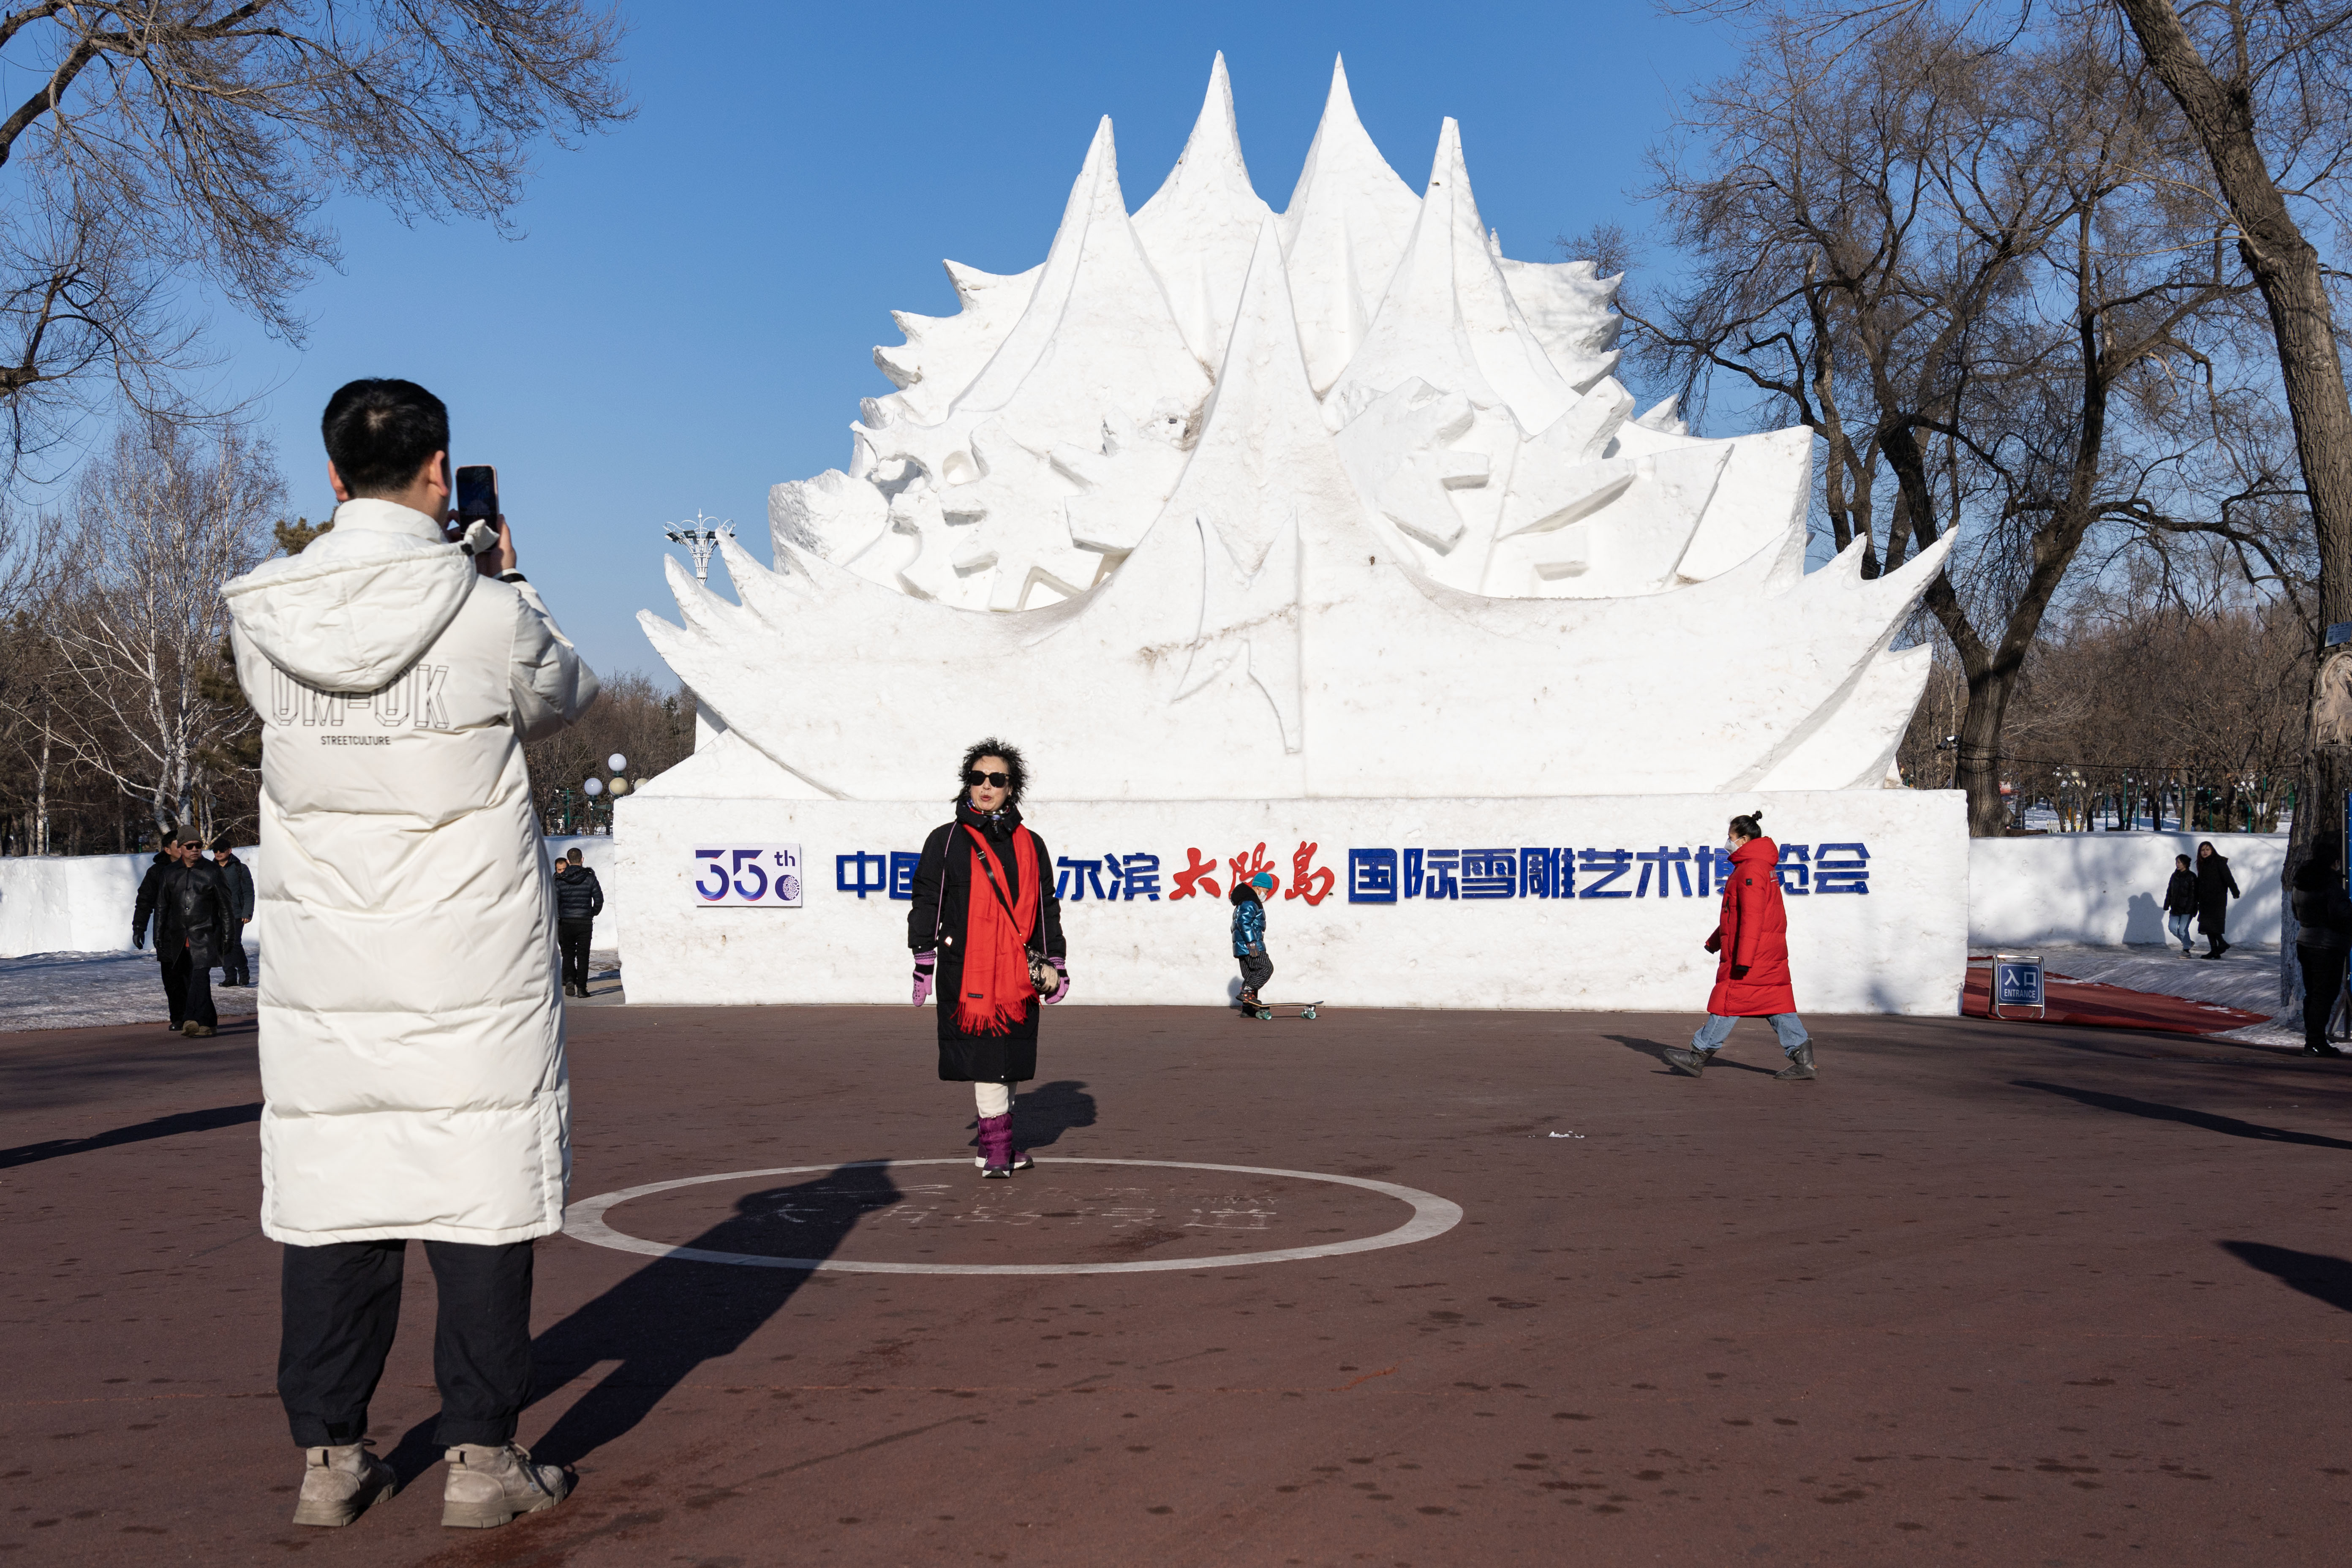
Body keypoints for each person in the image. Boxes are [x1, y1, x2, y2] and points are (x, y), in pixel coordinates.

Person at [222, 378, 597, 1531]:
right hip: (468, 958)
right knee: (479, 1199)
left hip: (328, 963)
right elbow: (564, 694)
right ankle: (482, 1462)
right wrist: (510, 575)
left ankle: (329, 1463)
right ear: (441, 473)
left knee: (338, 1198)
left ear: (333, 479)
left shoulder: (263, 611)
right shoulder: (487, 609)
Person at [906, 739, 1068, 1178]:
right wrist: (923, 956)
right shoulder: (946, 841)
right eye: (978, 778)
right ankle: (998, 1150)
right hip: (967, 969)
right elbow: (927, 898)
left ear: (1011, 788)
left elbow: (1045, 905)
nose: (986, 786)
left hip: (1018, 969)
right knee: (989, 1057)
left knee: (1008, 1058)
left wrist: (1057, 959)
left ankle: (994, 1145)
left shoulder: (1032, 844)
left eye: (997, 779)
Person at [1662, 811, 1814, 1081]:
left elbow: (1753, 917)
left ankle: (1698, 1055)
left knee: (1728, 1000)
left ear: (1743, 839)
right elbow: (1740, 914)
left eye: (1731, 837)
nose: (1727, 842)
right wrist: (1716, 940)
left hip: (1752, 954)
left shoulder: (1751, 869)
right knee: (1776, 1003)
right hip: (1766, 952)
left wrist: (1743, 958)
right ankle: (1804, 1060)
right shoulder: (1758, 866)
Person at [132, 829, 234, 1037]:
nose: (195, 850)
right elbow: (159, 906)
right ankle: (202, 1021)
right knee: (177, 981)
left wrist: (228, 936)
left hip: (205, 935)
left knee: (199, 978)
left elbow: (226, 907)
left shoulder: (212, 872)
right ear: (181, 848)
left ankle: (192, 1019)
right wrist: (152, 932)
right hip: (177, 936)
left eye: (199, 846)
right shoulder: (167, 873)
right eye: (190, 846)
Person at [2292, 834, 2352, 1059]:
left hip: (2305, 941)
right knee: (2324, 995)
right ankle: (2315, 1042)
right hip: (2328, 945)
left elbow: (2295, 913)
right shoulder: (2331, 886)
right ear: (2334, 863)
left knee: (2314, 993)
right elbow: (2341, 915)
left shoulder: (2302, 883)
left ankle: (2313, 1038)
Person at [133, 840, 183, 1028]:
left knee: (193, 977)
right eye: (178, 845)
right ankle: (178, 1018)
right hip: (166, 933)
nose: (182, 849)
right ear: (167, 849)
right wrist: (139, 927)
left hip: (193, 931)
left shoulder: (196, 868)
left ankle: (195, 1017)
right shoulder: (156, 872)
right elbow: (145, 901)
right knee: (172, 980)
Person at [553, 847, 603, 998]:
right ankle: (582, 989)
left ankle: (569, 980)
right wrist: (592, 912)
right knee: (583, 955)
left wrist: (559, 917)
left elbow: (555, 901)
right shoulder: (590, 878)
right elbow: (599, 900)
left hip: (567, 921)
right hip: (585, 923)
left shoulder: (560, 878)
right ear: (582, 860)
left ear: (568, 862)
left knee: (568, 953)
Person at [215, 841, 256, 987]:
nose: (218, 853)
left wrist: (247, 912)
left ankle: (244, 973)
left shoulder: (240, 869)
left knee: (234, 944)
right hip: (218, 914)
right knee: (223, 945)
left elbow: (248, 892)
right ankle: (230, 977)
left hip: (237, 914)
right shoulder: (211, 869)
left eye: (221, 850)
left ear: (229, 851)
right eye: (215, 850)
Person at [1231, 872, 1274, 1010]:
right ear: (1260, 888)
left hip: (1242, 947)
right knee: (1266, 968)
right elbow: (1243, 922)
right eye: (1266, 891)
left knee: (1251, 975)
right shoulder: (1251, 902)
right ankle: (1247, 992)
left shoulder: (1243, 902)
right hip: (1251, 945)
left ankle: (1248, 1008)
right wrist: (1252, 943)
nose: (1266, 895)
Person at [2195, 839, 2241, 959]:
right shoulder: (2203, 864)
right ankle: (2215, 951)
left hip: (2217, 899)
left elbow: (2228, 878)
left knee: (2214, 924)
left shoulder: (2219, 862)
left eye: (2207, 849)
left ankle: (2221, 944)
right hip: (2205, 900)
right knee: (2207, 925)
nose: (2205, 852)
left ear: (2212, 851)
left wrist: (2235, 891)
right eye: (2203, 850)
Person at [2161, 853, 2197, 958]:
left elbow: (2193, 895)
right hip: (2176, 907)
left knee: (2182, 930)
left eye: (2179, 862)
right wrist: (2167, 903)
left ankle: (2186, 951)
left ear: (2185, 864)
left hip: (2188, 908)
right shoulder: (2174, 876)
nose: (2177, 864)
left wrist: (2190, 908)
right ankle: (2188, 943)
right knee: (2172, 928)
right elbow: (2170, 891)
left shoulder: (2192, 877)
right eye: (2177, 862)